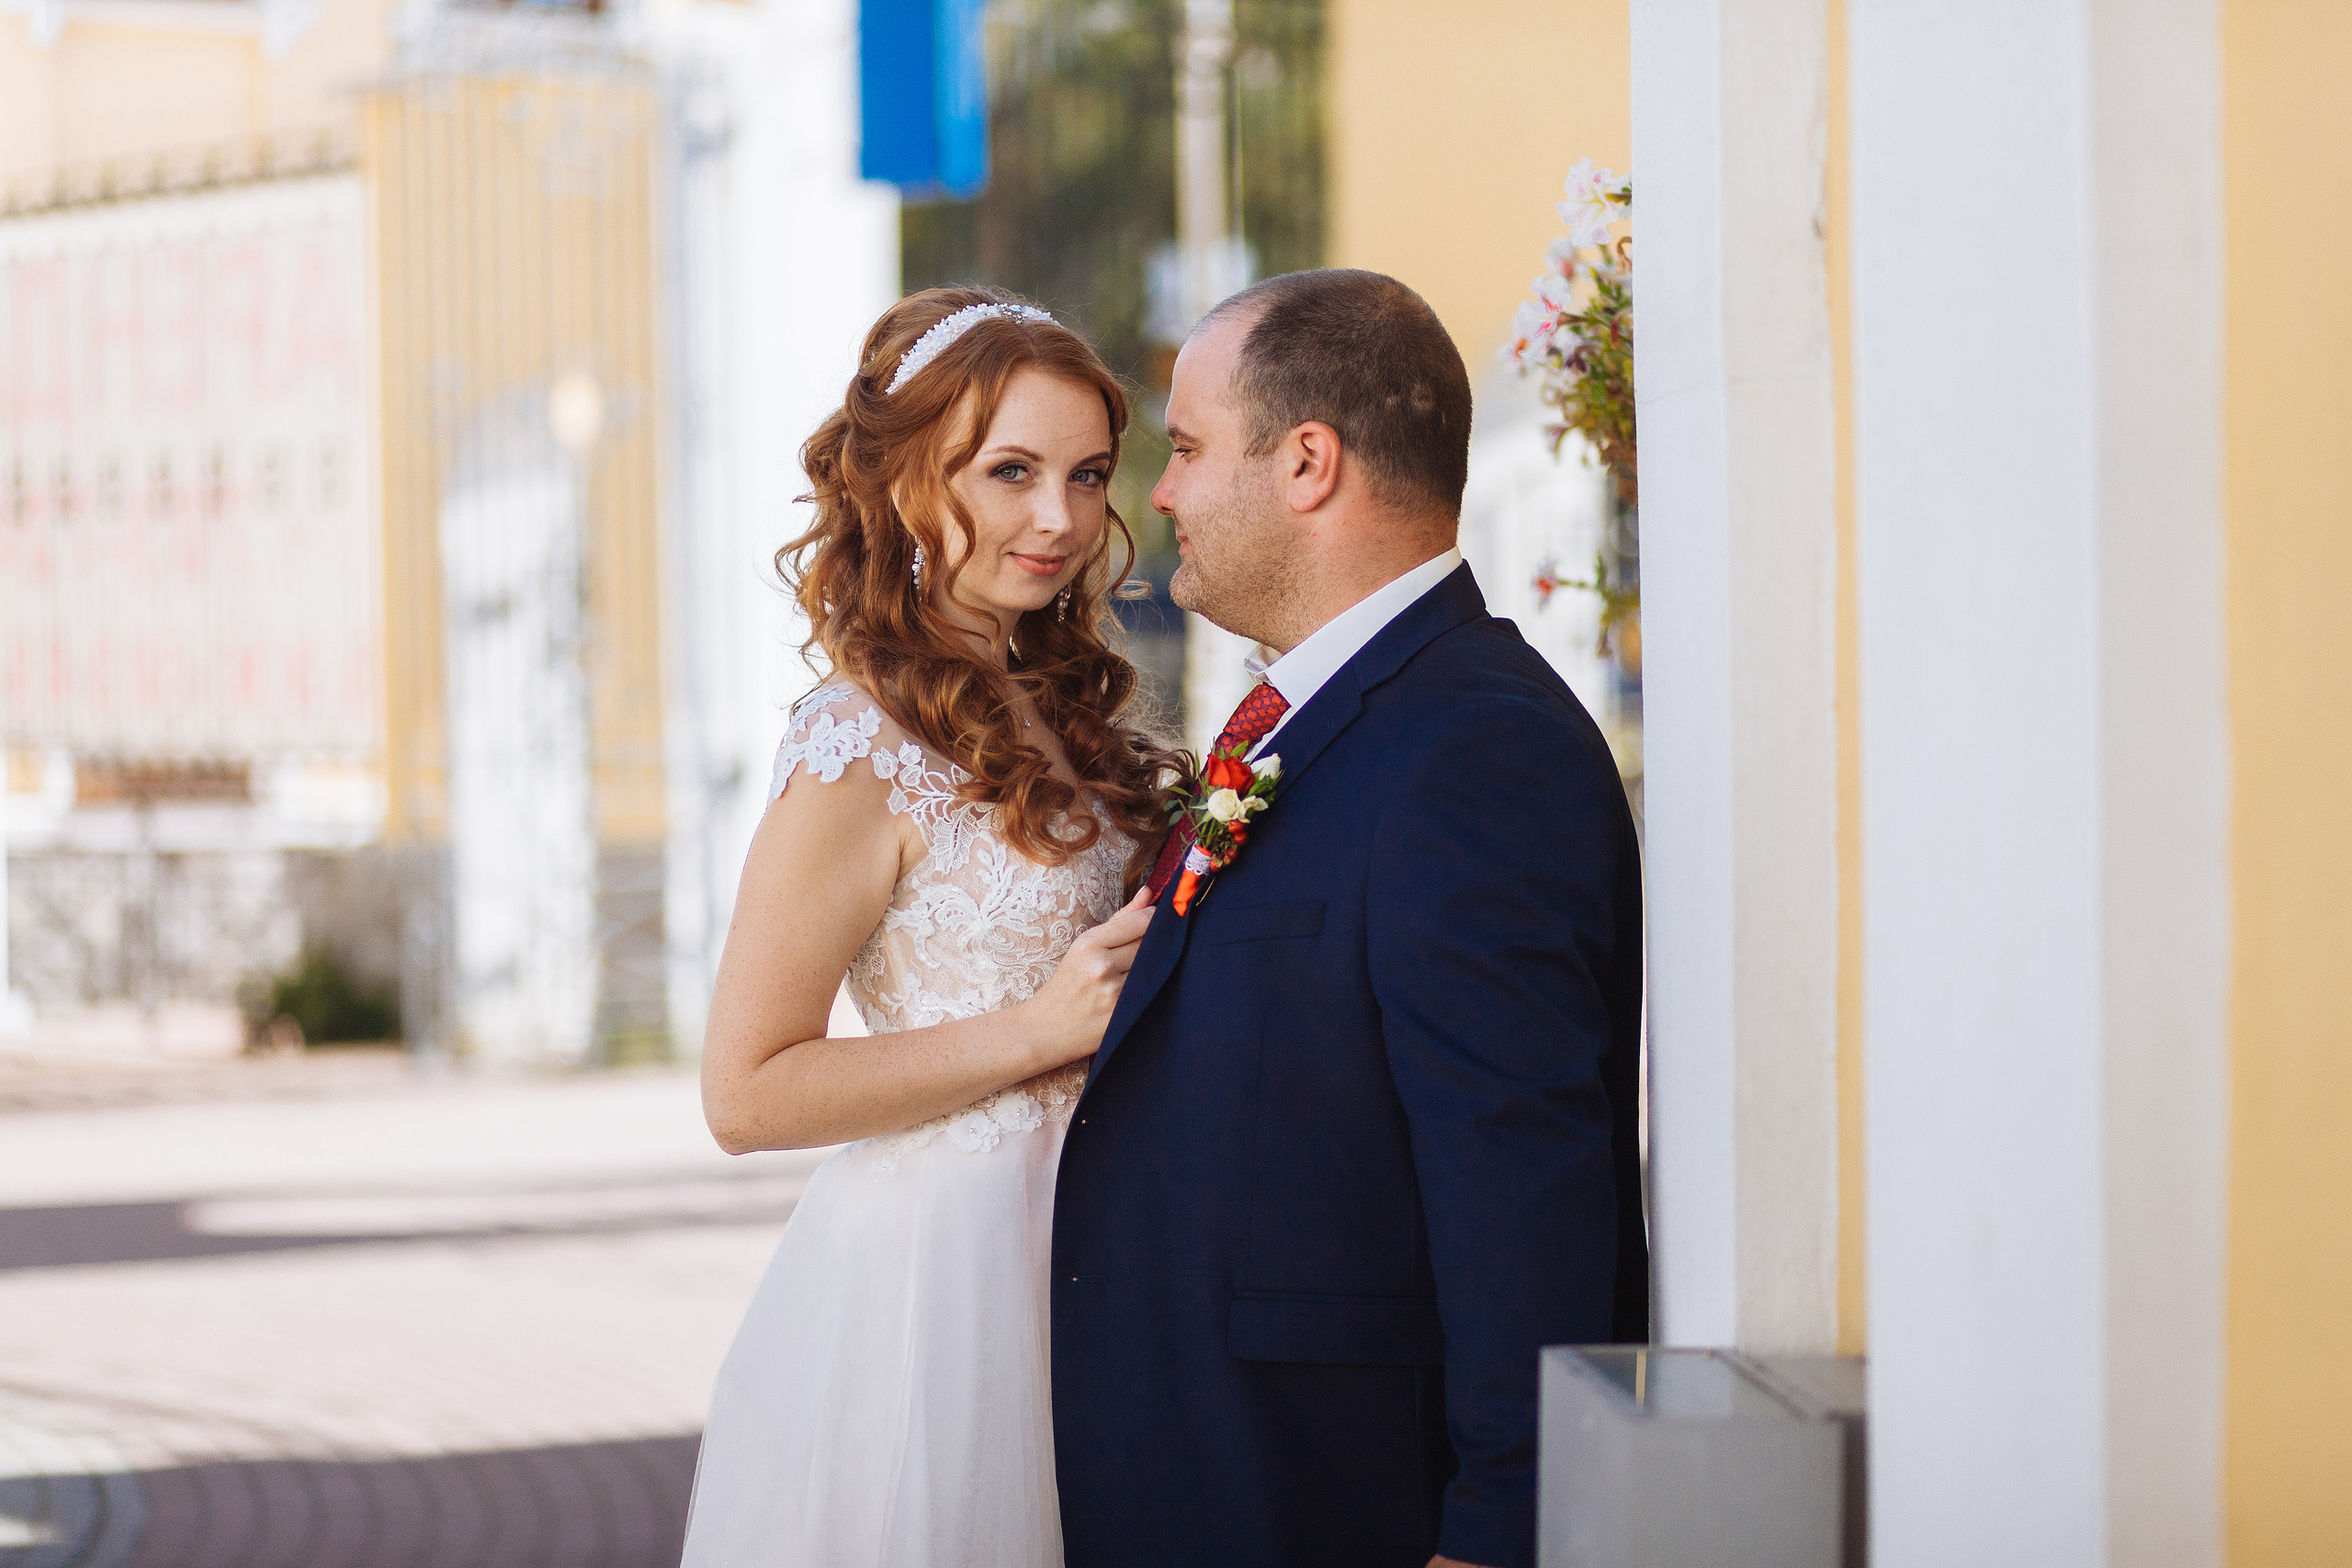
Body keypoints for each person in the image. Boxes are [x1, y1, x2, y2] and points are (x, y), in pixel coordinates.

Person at [1049, 269, 1650, 1568]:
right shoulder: (1327, 718)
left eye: (1191, 449)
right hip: (1221, 1468)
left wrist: (1500, 1528)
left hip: (1333, 1498)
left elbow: (1523, 1184)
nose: (1160, 493)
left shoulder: (1477, 748)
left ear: (1308, 462)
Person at [679, 288, 1172, 1568]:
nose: (1060, 519)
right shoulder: (853, 747)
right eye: (1009, 471)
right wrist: (1033, 1031)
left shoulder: (1069, 708)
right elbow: (746, 1092)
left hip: (1107, 1237)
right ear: (904, 483)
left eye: (1086, 474)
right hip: (943, 1283)